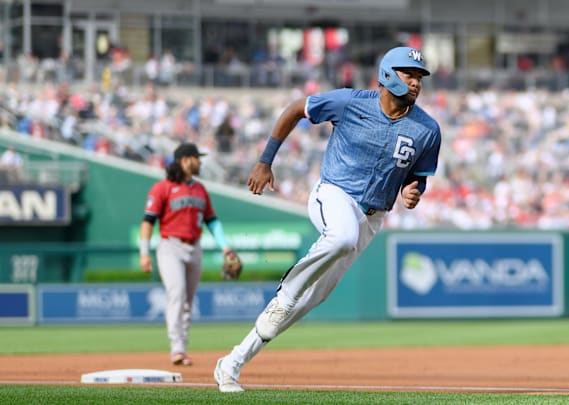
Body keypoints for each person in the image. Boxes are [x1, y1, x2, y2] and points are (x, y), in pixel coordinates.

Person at [213, 46, 442, 392]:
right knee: (340, 238)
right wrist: (265, 160)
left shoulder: (427, 129)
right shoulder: (351, 102)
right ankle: (287, 291)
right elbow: (296, 109)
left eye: (419, 77)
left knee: (311, 299)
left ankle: (232, 362)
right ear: (387, 74)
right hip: (333, 193)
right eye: (409, 74)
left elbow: (418, 176)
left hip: (373, 216)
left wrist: (415, 190)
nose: (415, 82)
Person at [139, 142, 241, 366]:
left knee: (187, 300)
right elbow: (148, 222)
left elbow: (212, 221)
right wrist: (144, 253)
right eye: (197, 158)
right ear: (185, 160)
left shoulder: (200, 189)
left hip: (194, 247)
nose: (200, 162)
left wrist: (225, 247)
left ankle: (182, 348)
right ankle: (175, 347)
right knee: (177, 292)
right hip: (170, 246)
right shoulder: (162, 188)